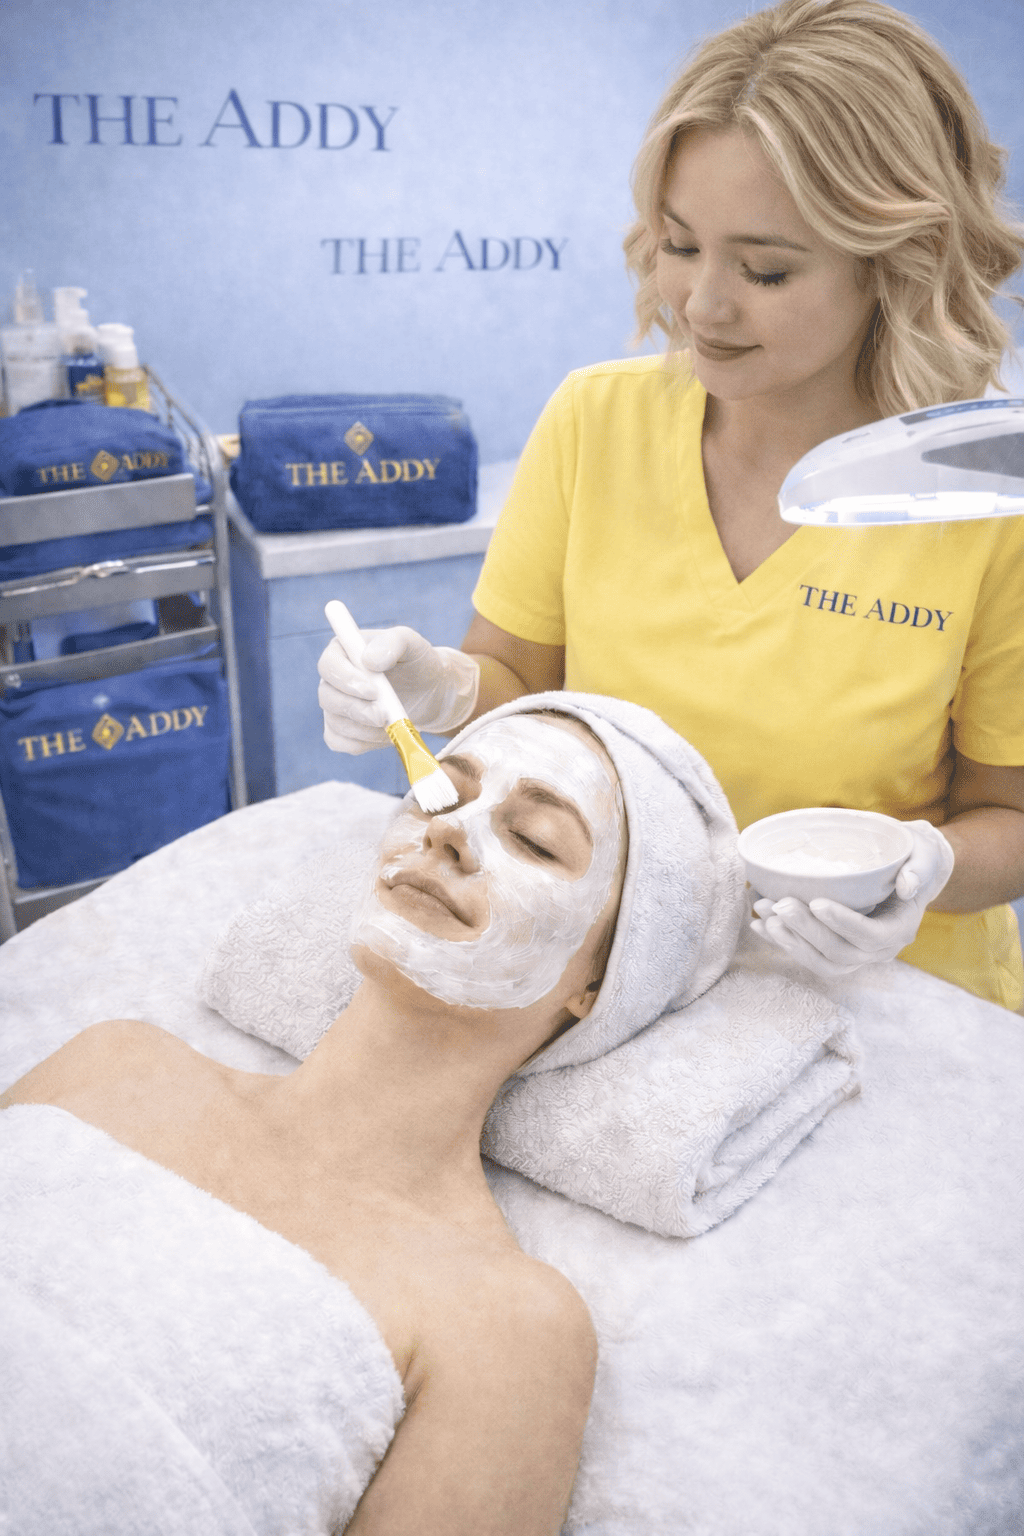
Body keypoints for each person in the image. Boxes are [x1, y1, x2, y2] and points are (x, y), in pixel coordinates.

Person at [317, 0, 1024, 1011]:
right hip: (633, 979)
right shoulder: (594, 421)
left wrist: (925, 875)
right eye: (680, 245)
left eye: (766, 268)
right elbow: (520, 683)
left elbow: (1008, 815)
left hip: (899, 1002)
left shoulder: (979, 489)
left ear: (891, 260)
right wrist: (433, 687)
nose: (701, 306)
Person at [0, 709, 629, 1536]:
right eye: (439, 794)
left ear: (600, 978)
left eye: (538, 841)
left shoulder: (507, 1323)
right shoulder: (112, 1066)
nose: (448, 834)